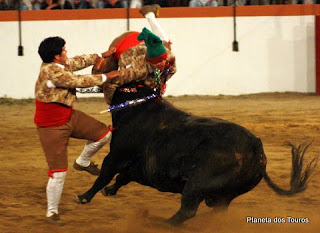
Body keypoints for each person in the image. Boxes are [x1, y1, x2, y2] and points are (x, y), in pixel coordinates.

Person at [34, 36, 121, 221]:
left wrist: (100, 55)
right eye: (64, 50)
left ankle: (83, 162)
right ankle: (52, 210)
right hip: (51, 127)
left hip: (68, 116)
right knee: (58, 173)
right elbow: (78, 81)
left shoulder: (58, 65)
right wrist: (107, 76)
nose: (67, 52)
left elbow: (78, 61)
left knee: (103, 134)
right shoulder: (53, 73)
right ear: (56, 56)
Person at [90, 4, 177, 105]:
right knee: (105, 73)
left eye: (163, 60)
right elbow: (111, 83)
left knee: (166, 43)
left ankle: (149, 14)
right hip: (122, 43)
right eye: (158, 62)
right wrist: (113, 103)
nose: (162, 63)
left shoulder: (169, 59)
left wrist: (160, 83)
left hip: (141, 44)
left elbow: (170, 70)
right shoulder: (134, 70)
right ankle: (96, 72)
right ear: (150, 61)